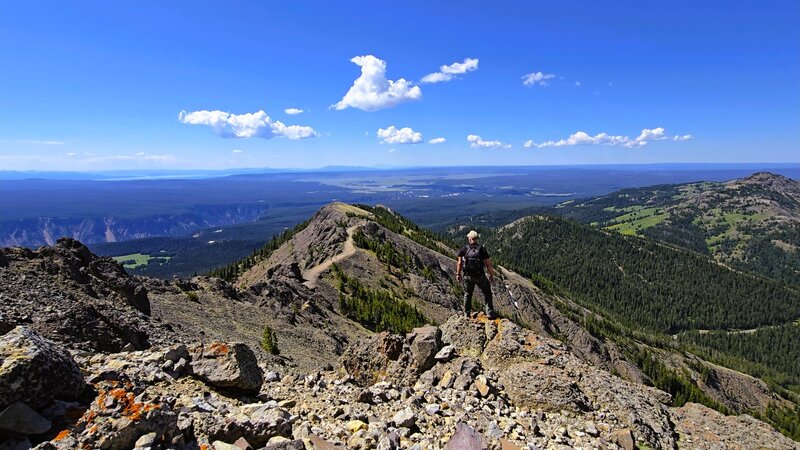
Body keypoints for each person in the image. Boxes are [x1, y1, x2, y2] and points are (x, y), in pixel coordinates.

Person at [456, 230, 497, 318]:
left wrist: (458, 274)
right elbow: (488, 264)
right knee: (487, 292)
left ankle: (466, 314)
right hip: (480, 276)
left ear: (469, 239)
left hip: (467, 276)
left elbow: (459, 263)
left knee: (467, 294)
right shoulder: (482, 249)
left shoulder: (464, 248)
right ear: (476, 239)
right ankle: (489, 312)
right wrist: (491, 275)